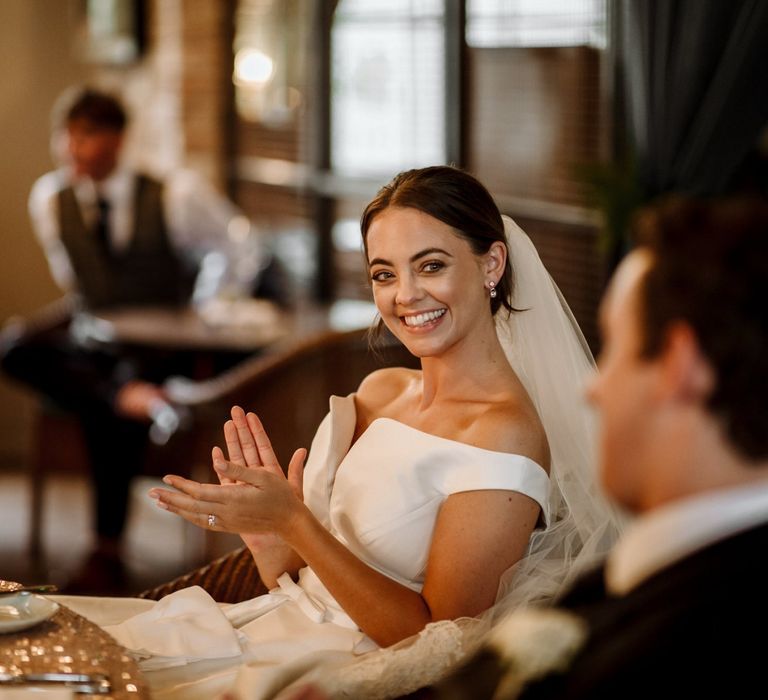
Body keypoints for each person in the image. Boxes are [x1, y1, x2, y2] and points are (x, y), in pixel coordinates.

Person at [54, 166, 620, 699]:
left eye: (430, 265)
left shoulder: (503, 434)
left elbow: (435, 646)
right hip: (266, 626)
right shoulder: (379, 389)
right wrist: (272, 544)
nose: (405, 296)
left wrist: (296, 523)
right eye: (383, 273)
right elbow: (311, 586)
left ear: (491, 264)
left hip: (337, 673)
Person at [426, 195, 768, 699]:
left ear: (679, 366)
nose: (593, 388)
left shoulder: (681, 647)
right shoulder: (670, 563)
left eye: (613, 348)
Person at [0, 86, 269, 594]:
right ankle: (124, 395)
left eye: (87, 136)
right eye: (67, 136)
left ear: (117, 139)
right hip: (97, 337)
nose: (72, 149)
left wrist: (205, 307)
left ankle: (107, 549)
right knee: (14, 348)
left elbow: (239, 243)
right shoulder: (50, 199)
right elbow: (73, 280)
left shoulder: (174, 193)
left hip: (164, 344)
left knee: (113, 396)